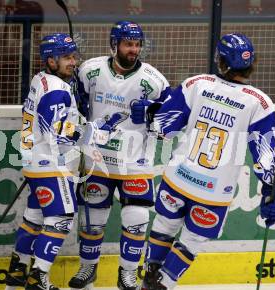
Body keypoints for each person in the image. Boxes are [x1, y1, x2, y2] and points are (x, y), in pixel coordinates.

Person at [134, 33, 275, 289]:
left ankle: (150, 275)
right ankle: (163, 283)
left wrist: (149, 111)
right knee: (191, 242)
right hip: (214, 192)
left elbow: (162, 127)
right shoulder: (259, 102)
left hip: (178, 179)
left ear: (221, 61)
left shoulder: (197, 84)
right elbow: (265, 158)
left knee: (164, 226)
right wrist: (272, 190)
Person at [68, 21, 172, 290]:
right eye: (128, 44)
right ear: (114, 44)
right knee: (92, 219)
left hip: (135, 163)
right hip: (96, 160)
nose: (133, 49)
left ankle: (127, 273)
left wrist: (153, 111)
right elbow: (75, 104)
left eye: (137, 44)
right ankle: (87, 268)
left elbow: (171, 120)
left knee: (136, 220)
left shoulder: (154, 80)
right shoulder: (89, 71)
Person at [4, 33, 108, 290]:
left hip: (35, 162)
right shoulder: (58, 90)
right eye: (66, 58)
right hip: (52, 165)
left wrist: (73, 106)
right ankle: (38, 276)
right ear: (50, 61)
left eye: (74, 57)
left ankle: (17, 272)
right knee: (61, 218)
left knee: (34, 218)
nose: (73, 62)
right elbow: (59, 132)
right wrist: (94, 130)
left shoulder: (40, 80)